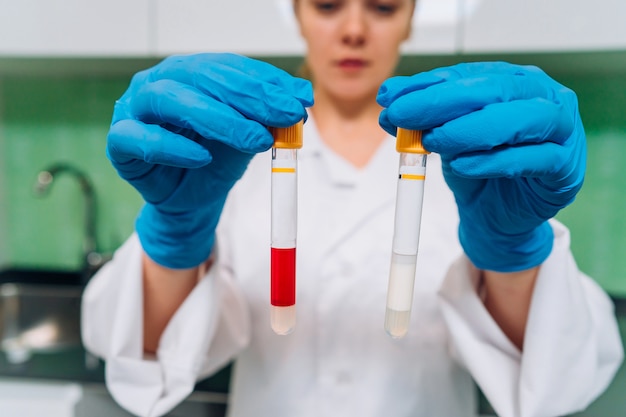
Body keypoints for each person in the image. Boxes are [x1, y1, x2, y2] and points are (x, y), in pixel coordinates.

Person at [81, 0, 624, 416]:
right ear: (295, 11)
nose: (354, 29)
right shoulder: (234, 156)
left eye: (384, 6)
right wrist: (174, 234)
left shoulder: (471, 157)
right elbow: (140, 353)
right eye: (327, 4)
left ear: (412, 18)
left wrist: (515, 254)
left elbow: (562, 371)